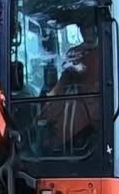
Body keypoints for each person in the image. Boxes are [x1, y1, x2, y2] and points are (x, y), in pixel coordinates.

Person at [38, 17, 101, 155]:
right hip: (75, 102)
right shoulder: (74, 52)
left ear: (96, 29)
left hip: (96, 104)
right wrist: (52, 94)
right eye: (83, 28)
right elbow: (64, 80)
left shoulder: (106, 53)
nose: (86, 31)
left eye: (89, 27)